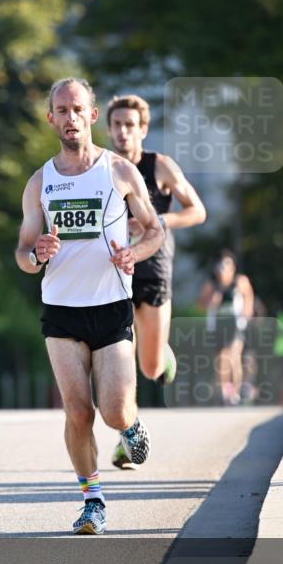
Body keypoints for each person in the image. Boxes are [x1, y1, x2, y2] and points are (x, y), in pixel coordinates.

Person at [15, 77, 164, 535]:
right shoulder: (40, 182)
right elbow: (22, 253)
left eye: (78, 109)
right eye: (62, 110)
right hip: (61, 311)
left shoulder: (119, 170)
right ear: (51, 119)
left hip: (112, 306)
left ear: (92, 115)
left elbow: (154, 230)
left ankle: (131, 426)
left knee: (114, 411)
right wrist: (36, 254)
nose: (71, 117)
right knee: (78, 412)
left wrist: (133, 253)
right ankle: (92, 501)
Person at [105, 95, 206, 467]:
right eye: (117, 124)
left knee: (149, 368)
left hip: (154, 269)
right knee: (120, 361)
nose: (123, 131)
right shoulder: (103, 167)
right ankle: (128, 437)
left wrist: (159, 221)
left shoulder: (159, 166)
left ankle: (163, 355)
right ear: (109, 129)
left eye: (130, 125)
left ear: (143, 129)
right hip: (114, 270)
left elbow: (197, 211)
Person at [199, 251, 254, 406]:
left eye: (226, 265)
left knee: (235, 356)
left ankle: (235, 393)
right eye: (220, 266)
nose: (223, 269)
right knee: (222, 359)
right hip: (217, 325)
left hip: (236, 324)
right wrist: (211, 301)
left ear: (233, 267)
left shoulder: (240, 281)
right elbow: (201, 304)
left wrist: (247, 312)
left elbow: (249, 296)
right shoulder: (211, 285)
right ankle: (224, 392)